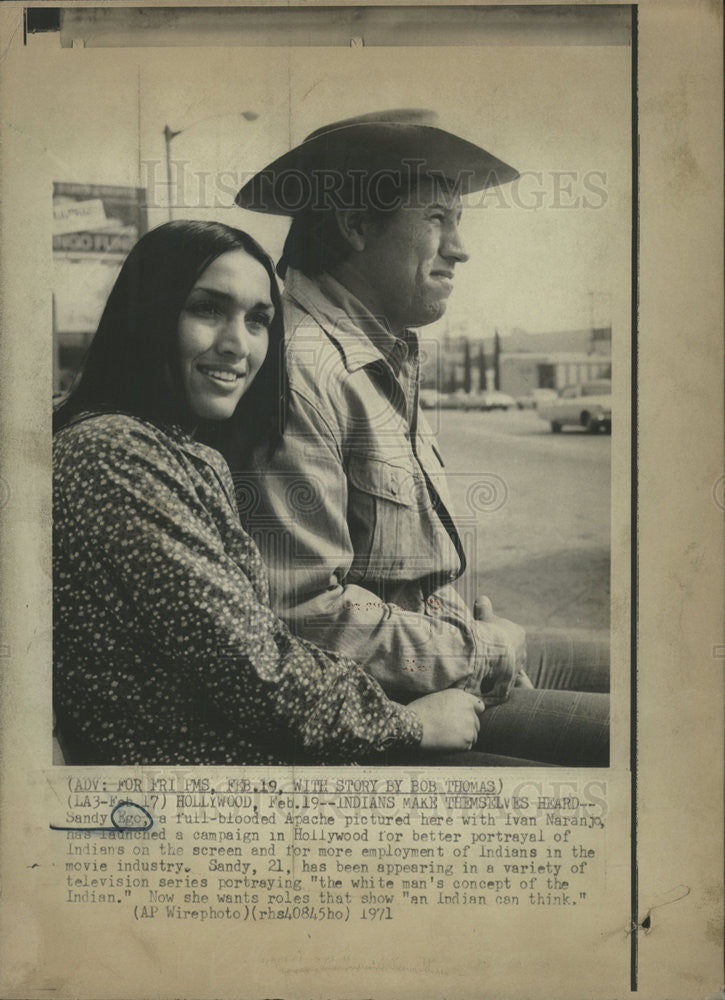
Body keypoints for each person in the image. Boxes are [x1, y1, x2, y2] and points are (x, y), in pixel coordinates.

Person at [233, 109, 610, 766]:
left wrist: (467, 626)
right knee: (674, 733)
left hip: (442, 659)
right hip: (388, 708)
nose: (459, 248)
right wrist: (481, 651)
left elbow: (389, 568)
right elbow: (300, 617)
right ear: (354, 225)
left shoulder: (376, 353)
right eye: (436, 220)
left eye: (456, 222)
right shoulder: (298, 370)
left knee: (663, 669)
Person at [52, 220, 488, 766]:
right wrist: (411, 723)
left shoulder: (176, 448)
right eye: (207, 309)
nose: (239, 346)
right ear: (147, 315)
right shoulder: (114, 453)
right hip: (211, 800)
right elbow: (253, 668)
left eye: (258, 320)